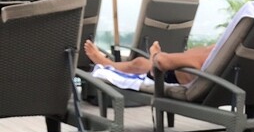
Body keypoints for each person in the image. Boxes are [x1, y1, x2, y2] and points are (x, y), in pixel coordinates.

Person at [83, 39, 214, 85]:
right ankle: (107, 62)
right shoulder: (223, 55)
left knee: (139, 63)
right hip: (200, 79)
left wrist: (156, 55)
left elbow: (162, 62)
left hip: (169, 76)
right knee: (142, 63)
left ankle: (105, 63)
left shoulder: (211, 55)